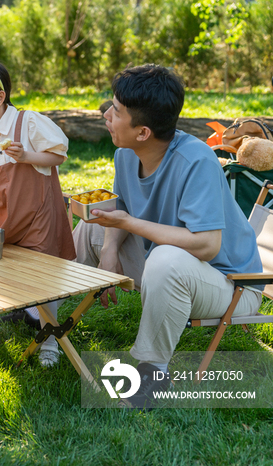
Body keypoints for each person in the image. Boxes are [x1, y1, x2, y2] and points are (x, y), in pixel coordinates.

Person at [73, 64, 263, 409]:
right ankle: (43, 316)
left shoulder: (196, 160)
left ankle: (154, 374)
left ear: (143, 132)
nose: (107, 115)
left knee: (166, 257)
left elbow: (207, 245)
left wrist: (128, 225)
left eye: (116, 111)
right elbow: (121, 207)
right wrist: (110, 250)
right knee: (92, 223)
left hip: (231, 282)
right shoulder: (125, 154)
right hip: (171, 265)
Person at [0, 60, 76, 367]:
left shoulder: (27, 123)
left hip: (39, 216)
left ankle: (50, 343)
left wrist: (26, 156)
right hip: (4, 220)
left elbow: (58, 153)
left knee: (46, 277)